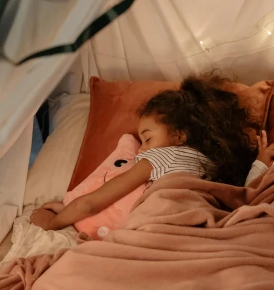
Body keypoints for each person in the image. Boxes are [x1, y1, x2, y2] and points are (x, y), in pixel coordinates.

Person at [30, 73, 258, 232]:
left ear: (180, 136)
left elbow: (91, 204)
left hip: (162, 230)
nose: (142, 149)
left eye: (148, 138)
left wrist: (53, 223)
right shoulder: (211, 164)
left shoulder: (159, 157)